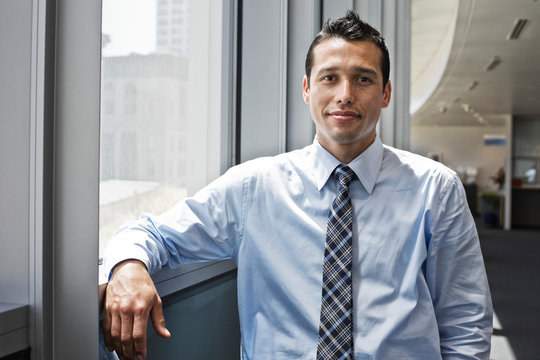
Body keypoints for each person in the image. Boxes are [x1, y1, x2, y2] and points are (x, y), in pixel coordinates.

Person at [101, 10, 493, 360]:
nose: (345, 95)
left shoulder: (435, 189)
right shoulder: (253, 188)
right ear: (307, 89)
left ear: (386, 93)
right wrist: (128, 267)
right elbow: (149, 232)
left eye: (363, 79)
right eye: (330, 78)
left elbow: (465, 323)